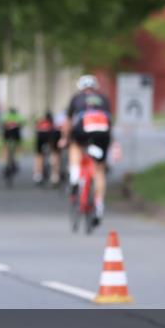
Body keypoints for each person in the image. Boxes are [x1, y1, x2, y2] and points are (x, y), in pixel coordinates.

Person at [59, 75, 112, 225]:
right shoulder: (104, 99)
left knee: (75, 147)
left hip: (83, 128)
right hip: (103, 132)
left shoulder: (77, 98)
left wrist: (64, 138)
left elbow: (68, 122)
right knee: (99, 171)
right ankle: (100, 205)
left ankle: (75, 179)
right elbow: (109, 120)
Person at [33, 111, 61, 187]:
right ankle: (55, 176)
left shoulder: (40, 123)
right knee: (55, 153)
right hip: (52, 135)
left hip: (41, 135)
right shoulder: (54, 124)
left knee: (39, 154)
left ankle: (38, 174)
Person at [0, 106, 25, 171]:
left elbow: (1, 122)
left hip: (7, 133)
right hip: (16, 133)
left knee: (5, 146)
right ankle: (17, 159)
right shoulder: (18, 116)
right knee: (18, 146)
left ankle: (4, 162)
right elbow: (23, 122)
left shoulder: (6, 116)